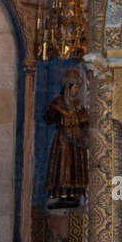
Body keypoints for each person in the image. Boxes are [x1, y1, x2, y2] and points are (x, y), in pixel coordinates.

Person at [45, 67, 88, 201]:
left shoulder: (78, 104)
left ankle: (75, 193)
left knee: (76, 165)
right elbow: (48, 118)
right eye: (74, 87)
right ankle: (61, 193)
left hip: (77, 139)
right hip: (64, 139)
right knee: (63, 165)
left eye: (77, 88)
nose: (76, 90)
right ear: (68, 87)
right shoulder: (58, 102)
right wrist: (58, 114)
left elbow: (85, 121)